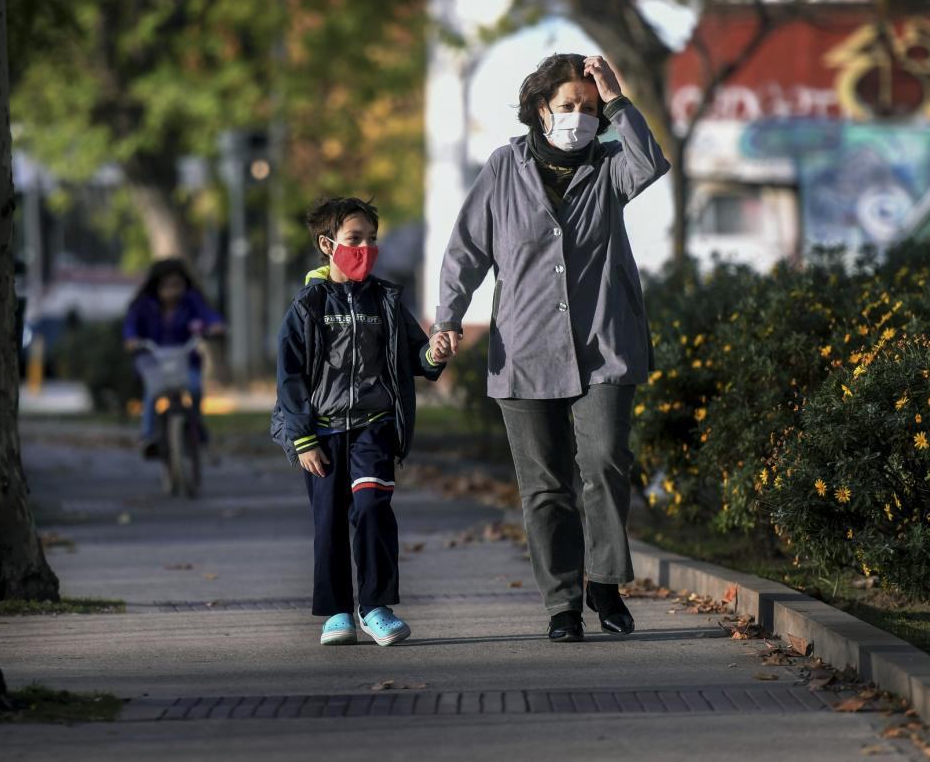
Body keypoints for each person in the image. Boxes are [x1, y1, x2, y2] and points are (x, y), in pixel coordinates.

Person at [432, 54, 670, 642]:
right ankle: (562, 602)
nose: (579, 117)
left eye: (588, 108)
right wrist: (449, 319)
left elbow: (652, 164)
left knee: (607, 461)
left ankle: (606, 584)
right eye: (569, 106)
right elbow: (466, 250)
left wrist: (616, 98)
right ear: (541, 110)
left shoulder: (612, 163)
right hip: (525, 346)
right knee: (545, 486)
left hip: (604, 341)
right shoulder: (503, 168)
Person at [271, 196, 450, 647]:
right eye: (355, 239)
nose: (365, 249)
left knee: (372, 508)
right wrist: (303, 437)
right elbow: (289, 378)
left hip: (374, 426)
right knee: (328, 523)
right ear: (327, 244)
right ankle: (336, 613)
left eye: (372, 240)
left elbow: (416, 354)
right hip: (322, 432)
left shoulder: (385, 300)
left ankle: (374, 606)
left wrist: (434, 353)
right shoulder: (308, 306)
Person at [123, 258, 225, 456]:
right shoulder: (144, 305)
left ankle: (196, 429)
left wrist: (216, 326)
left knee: (194, 390)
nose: (173, 291)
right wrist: (132, 339)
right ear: (157, 287)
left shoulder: (191, 300)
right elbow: (131, 326)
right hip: (154, 361)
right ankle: (148, 436)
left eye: (177, 285)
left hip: (186, 359)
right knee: (153, 393)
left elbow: (208, 315)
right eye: (167, 286)